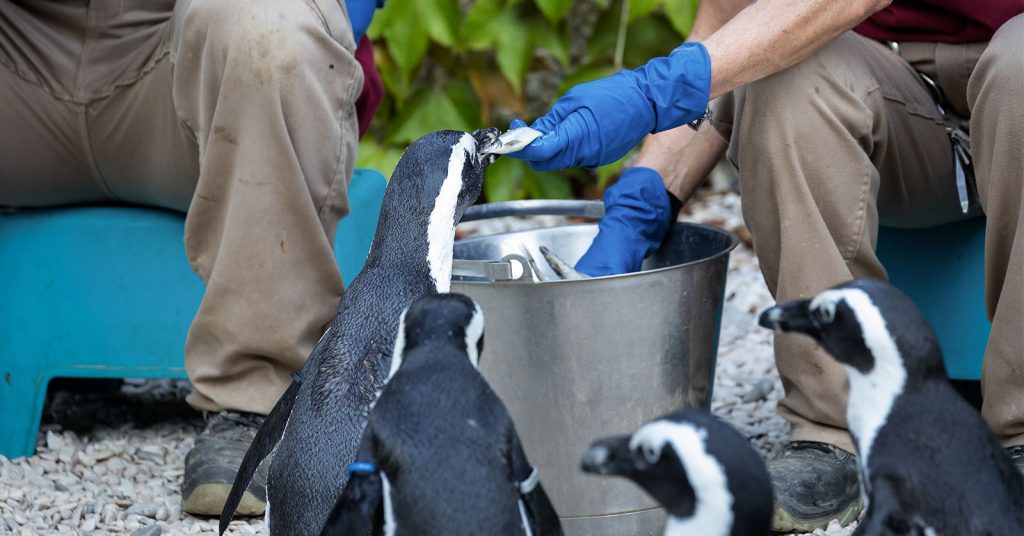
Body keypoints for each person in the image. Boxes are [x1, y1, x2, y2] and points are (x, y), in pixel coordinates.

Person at [509, 0, 1023, 531]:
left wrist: (655, 88)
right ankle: (832, 436)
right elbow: (727, 29)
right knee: (786, 77)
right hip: (896, 88)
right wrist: (646, 199)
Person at [0, 0, 384, 517]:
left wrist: (331, 24)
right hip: (19, 57)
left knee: (271, 25)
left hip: (185, 64)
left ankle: (257, 399)